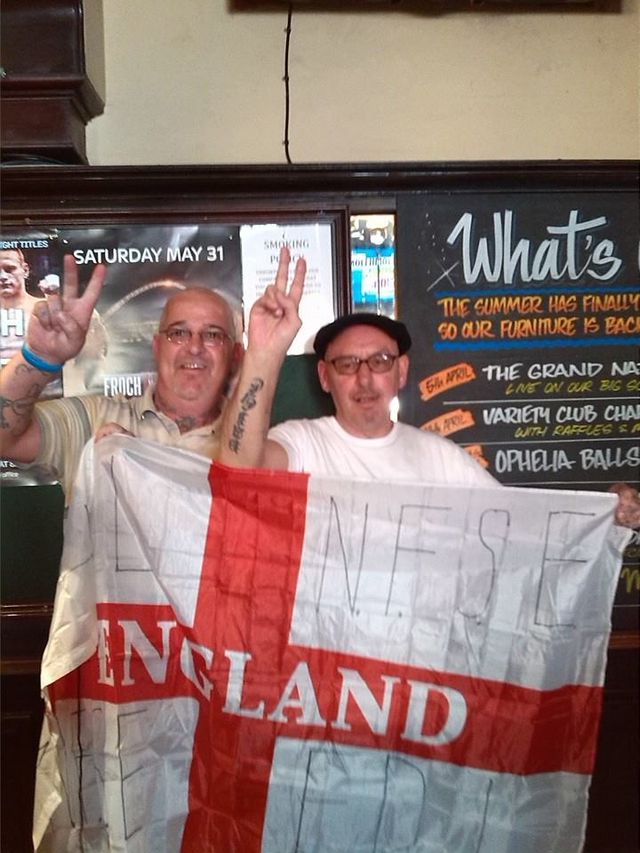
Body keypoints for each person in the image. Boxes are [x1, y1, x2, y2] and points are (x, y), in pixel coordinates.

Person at [220, 263, 640, 529]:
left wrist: (601, 513)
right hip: (323, 664)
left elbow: (519, 523)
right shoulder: (302, 443)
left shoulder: (439, 457)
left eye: (380, 361)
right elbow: (236, 471)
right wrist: (264, 352)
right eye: (347, 364)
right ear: (325, 377)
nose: (364, 379)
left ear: (401, 372)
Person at [0, 250, 306, 502]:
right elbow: (5, 439)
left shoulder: (254, 441)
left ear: (236, 355)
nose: (194, 348)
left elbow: (243, 491)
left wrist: (265, 355)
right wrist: (40, 359)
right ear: (157, 348)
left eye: (212, 335)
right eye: (178, 334)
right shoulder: (94, 417)